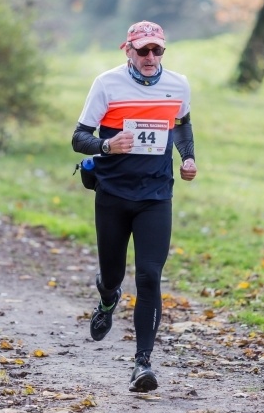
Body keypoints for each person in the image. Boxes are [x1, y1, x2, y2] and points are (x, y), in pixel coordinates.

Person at [71, 20, 197, 392]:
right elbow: (79, 138)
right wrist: (108, 146)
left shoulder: (178, 84)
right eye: (143, 50)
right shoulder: (107, 84)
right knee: (113, 275)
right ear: (127, 50)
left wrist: (188, 158)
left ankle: (142, 363)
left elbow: (182, 125)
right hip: (112, 194)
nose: (150, 57)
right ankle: (108, 298)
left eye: (157, 50)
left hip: (156, 196)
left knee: (149, 276)